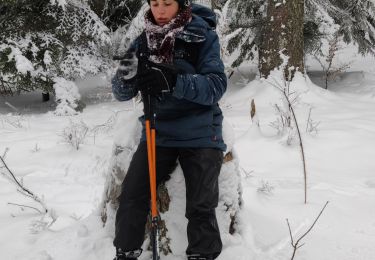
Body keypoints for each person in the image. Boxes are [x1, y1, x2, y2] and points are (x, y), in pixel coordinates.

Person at [111, 0, 227, 259]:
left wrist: (173, 81)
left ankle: (202, 254)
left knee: (201, 202)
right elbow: (120, 92)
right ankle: (126, 251)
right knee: (132, 194)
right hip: (158, 130)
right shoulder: (142, 41)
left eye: (167, 3)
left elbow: (216, 85)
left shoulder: (202, 36)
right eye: (154, 4)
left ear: (181, 4)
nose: (160, 11)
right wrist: (127, 75)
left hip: (200, 130)